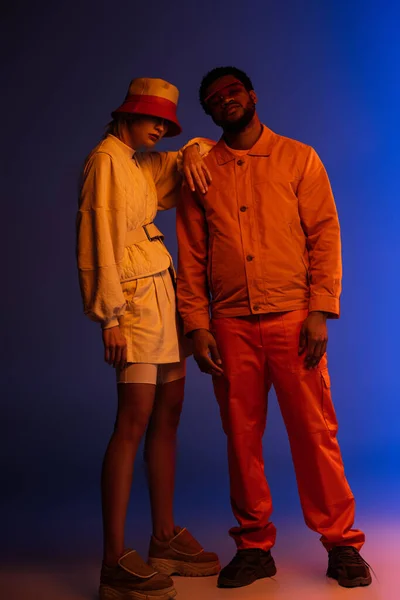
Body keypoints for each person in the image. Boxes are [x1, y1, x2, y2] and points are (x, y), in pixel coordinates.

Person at [176, 66, 372, 590]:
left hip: (292, 318)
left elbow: (324, 235)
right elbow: (191, 257)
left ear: (252, 96)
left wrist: (318, 311)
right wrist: (197, 326)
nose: (226, 101)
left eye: (233, 92)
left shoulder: (298, 158)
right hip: (230, 326)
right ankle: (254, 545)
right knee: (241, 440)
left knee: (315, 434)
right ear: (210, 113)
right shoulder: (201, 170)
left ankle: (341, 544)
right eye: (214, 99)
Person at [77, 77, 220, 600]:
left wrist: (196, 148)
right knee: (132, 421)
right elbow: (96, 237)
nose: (161, 127)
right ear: (128, 113)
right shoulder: (106, 161)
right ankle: (113, 561)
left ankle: (163, 537)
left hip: (163, 295)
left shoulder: (137, 162)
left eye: (167, 121)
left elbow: (185, 158)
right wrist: (109, 316)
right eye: (154, 118)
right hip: (132, 305)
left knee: (171, 411)